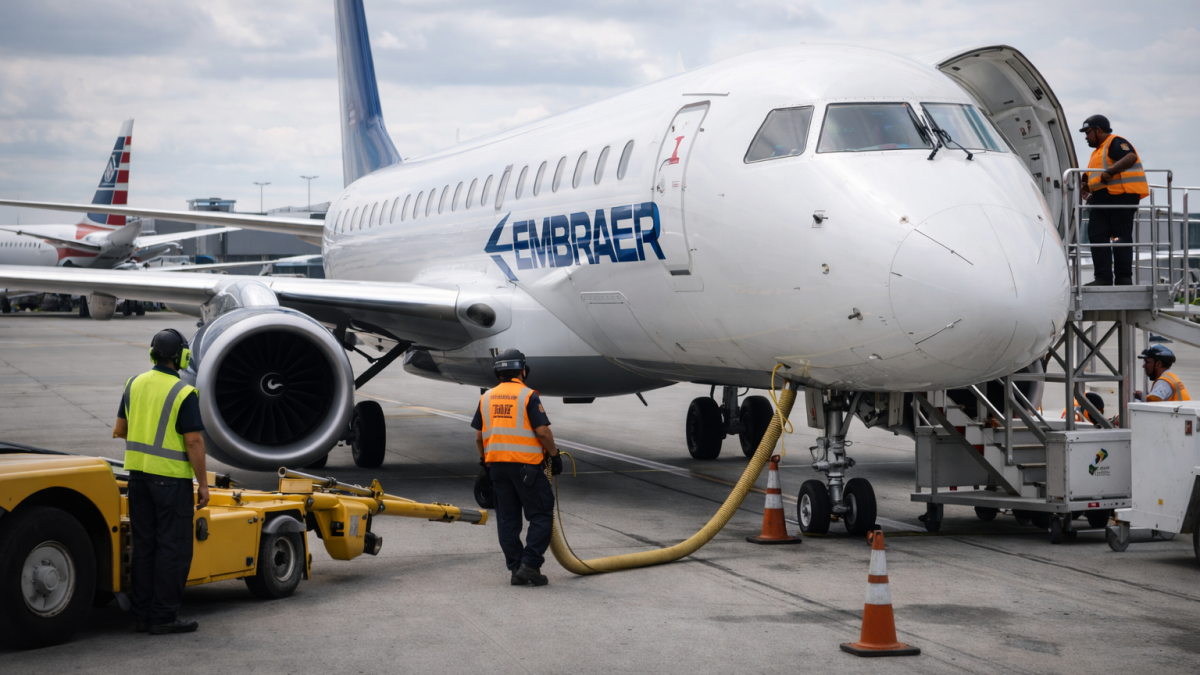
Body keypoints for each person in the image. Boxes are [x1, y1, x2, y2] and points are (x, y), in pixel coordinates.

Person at [112, 328, 208, 635]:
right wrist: (203, 484)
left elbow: (120, 430)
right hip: (170, 482)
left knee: (145, 548)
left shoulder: (133, 383)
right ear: (182, 357)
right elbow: (193, 442)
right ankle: (164, 616)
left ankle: (142, 616)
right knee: (172, 549)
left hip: (137, 479)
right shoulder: (183, 392)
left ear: (152, 353)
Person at [472, 349, 561, 586]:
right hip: (527, 468)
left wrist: (485, 462)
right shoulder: (527, 395)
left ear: (498, 373)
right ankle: (529, 564)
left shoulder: (486, 397)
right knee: (541, 514)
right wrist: (554, 455)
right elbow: (542, 432)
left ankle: (516, 568)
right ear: (523, 371)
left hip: (497, 468)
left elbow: (479, 438)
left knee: (507, 520)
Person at [1079, 114, 1149, 286]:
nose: (1086, 137)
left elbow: (1130, 157)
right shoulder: (1097, 152)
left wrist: (1109, 173)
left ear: (1098, 130)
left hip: (1121, 197)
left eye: (1088, 132)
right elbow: (1094, 177)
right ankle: (1103, 278)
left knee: (1120, 237)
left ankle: (1123, 278)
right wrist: (1086, 188)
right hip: (1102, 199)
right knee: (1097, 235)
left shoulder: (1115, 142)